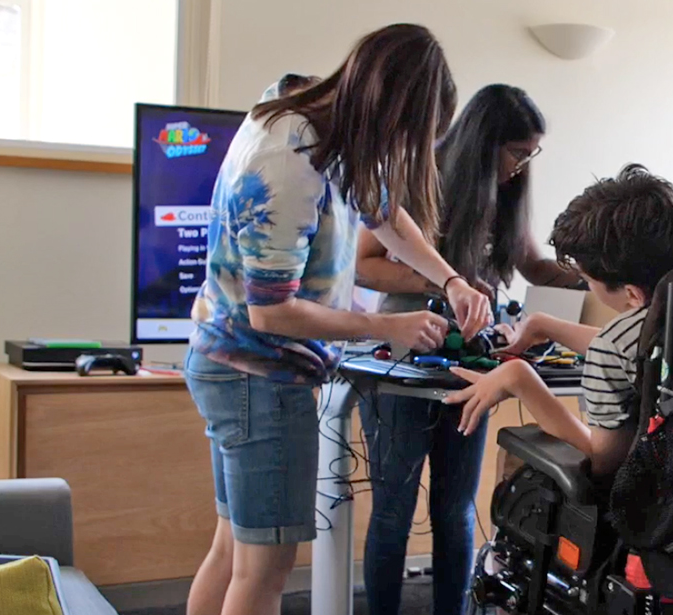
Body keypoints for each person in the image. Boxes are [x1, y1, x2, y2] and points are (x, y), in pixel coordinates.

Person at [182, 24, 491, 615]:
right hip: (258, 375)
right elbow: (271, 313)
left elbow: (383, 212)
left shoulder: (314, 109)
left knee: (232, 553)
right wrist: (385, 327)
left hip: (232, 368)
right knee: (263, 571)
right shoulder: (289, 164)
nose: (404, 152)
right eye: (409, 136)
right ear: (390, 111)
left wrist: (449, 278)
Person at [353, 84, 582, 615]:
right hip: (405, 357)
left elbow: (533, 266)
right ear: (485, 144)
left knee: (456, 508)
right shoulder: (419, 177)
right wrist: (447, 282)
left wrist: (595, 276)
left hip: (468, 363)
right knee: (393, 508)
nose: (524, 167)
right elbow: (365, 261)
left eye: (532, 155)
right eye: (518, 153)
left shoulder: (506, 194)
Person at [445, 163, 673, 476]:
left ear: (632, 295)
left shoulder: (611, 347)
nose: (587, 287)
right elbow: (642, 349)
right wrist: (543, 324)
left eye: (587, 280)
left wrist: (520, 379)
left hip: (651, 505)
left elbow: (605, 468)